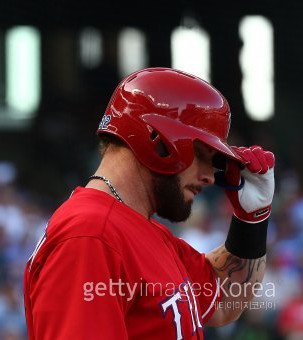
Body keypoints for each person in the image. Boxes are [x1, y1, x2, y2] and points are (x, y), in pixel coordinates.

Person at [23, 67, 275, 339]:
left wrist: (252, 220)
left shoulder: (140, 229)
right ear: (158, 142)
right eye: (202, 154)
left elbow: (224, 300)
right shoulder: (90, 235)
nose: (208, 176)